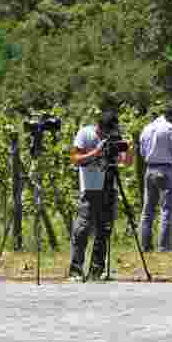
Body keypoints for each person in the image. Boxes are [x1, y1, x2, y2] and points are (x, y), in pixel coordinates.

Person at [68, 109, 134, 280]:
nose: (108, 135)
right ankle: (76, 270)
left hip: (109, 187)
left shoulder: (114, 137)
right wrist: (96, 152)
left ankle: (97, 270)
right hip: (90, 188)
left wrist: (130, 150)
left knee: (104, 230)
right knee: (82, 229)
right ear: (99, 127)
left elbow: (126, 162)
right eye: (106, 131)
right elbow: (75, 158)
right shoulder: (85, 133)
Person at [138, 104, 172, 253]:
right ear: (171, 115)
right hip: (165, 169)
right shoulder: (170, 128)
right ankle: (163, 247)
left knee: (147, 210)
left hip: (149, 169)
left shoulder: (146, 128)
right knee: (166, 209)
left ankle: (145, 245)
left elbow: (143, 152)